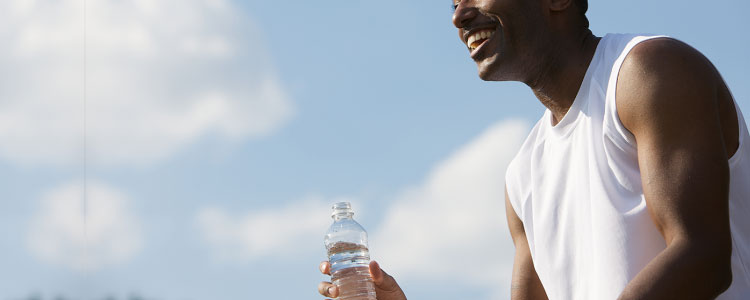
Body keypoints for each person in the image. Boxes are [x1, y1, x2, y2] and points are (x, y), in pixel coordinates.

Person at [318, 0, 750, 298]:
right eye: (451, 3)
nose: (458, 15)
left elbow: (704, 256)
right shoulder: (522, 175)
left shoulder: (646, 71)